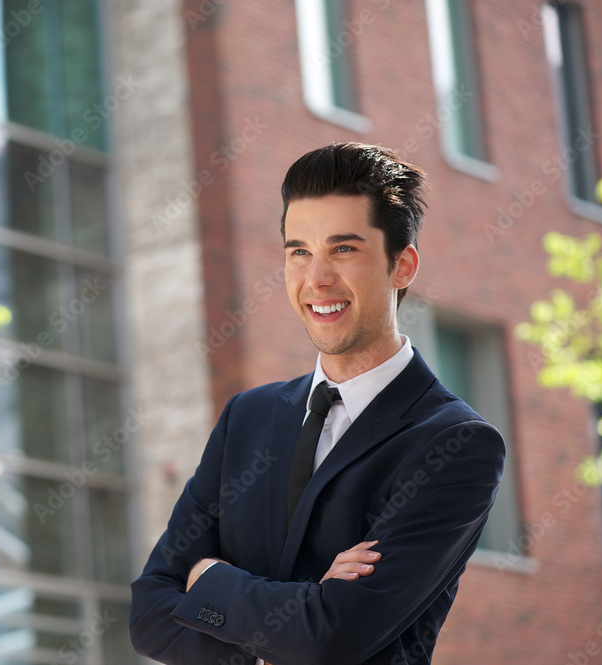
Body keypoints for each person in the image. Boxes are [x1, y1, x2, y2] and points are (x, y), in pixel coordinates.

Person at [129, 142, 506, 665]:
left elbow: (335, 636)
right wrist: (289, 629)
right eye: (299, 251)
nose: (316, 279)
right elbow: (149, 614)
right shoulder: (247, 419)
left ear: (403, 265)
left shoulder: (454, 443)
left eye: (344, 249)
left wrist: (209, 581)